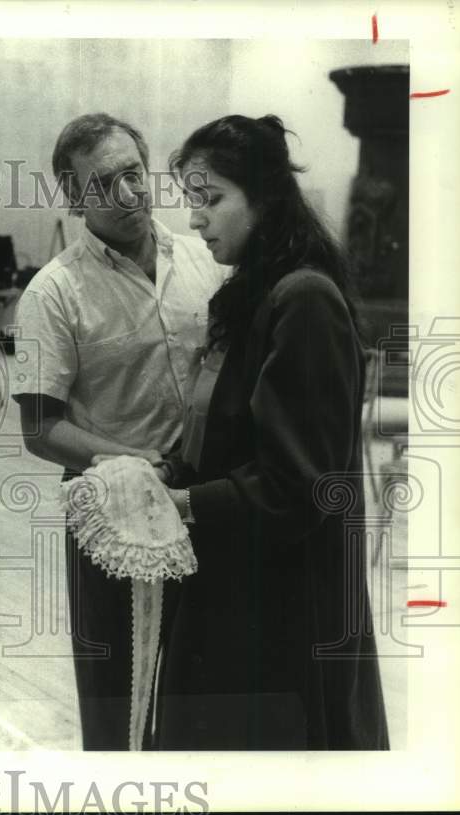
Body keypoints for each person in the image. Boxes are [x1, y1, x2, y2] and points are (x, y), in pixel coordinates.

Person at [154, 115, 389, 749]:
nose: (196, 219)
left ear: (264, 196)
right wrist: (169, 469)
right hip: (233, 582)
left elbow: (299, 486)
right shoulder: (249, 295)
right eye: (190, 202)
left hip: (283, 605)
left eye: (211, 200)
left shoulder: (303, 299)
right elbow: (225, 436)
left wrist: (178, 504)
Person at [11, 113, 229, 750]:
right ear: (77, 199)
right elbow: (41, 428)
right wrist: (135, 462)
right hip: (112, 515)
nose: (130, 193)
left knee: (199, 692)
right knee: (113, 702)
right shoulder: (52, 294)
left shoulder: (204, 259)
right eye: (106, 184)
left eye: (134, 174)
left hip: (205, 504)